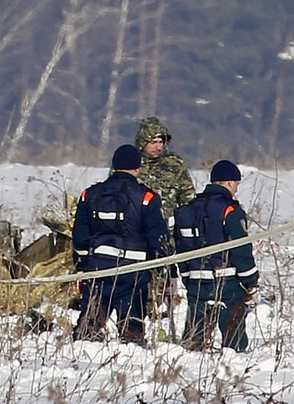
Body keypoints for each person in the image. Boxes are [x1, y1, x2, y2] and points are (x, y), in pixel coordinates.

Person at [72, 144, 168, 345]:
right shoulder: (146, 197)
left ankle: (81, 359)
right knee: (131, 331)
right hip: (133, 272)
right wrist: (163, 267)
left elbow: (80, 235)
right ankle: (129, 358)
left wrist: (82, 265)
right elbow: (157, 238)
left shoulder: (89, 195)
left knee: (88, 329)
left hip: (97, 270)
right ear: (137, 167)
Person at [175, 160, 258, 352]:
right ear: (229, 183)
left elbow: (181, 249)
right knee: (234, 344)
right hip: (227, 284)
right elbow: (240, 248)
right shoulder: (230, 210)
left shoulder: (188, 210)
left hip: (196, 283)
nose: (236, 188)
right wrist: (250, 280)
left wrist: (187, 277)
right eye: (236, 184)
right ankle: (233, 369)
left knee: (193, 345)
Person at [134, 116, 196, 329]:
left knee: (164, 278)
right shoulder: (131, 165)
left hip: (165, 235)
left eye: (161, 142)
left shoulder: (174, 164)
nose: (158, 146)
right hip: (136, 235)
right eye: (153, 142)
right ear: (142, 142)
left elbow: (187, 198)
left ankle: (161, 317)